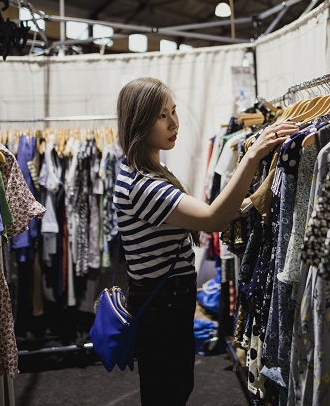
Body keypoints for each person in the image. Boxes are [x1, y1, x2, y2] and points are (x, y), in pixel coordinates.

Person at [113, 77, 298, 405]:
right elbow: (213, 218)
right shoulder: (143, 185)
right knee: (167, 391)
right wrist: (252, 155)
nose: (174, 123)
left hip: (165, 301)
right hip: (162, 305)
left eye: (174, 112)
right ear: (139, 122)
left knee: (173, 387)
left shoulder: (145, 171)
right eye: (162, 116)